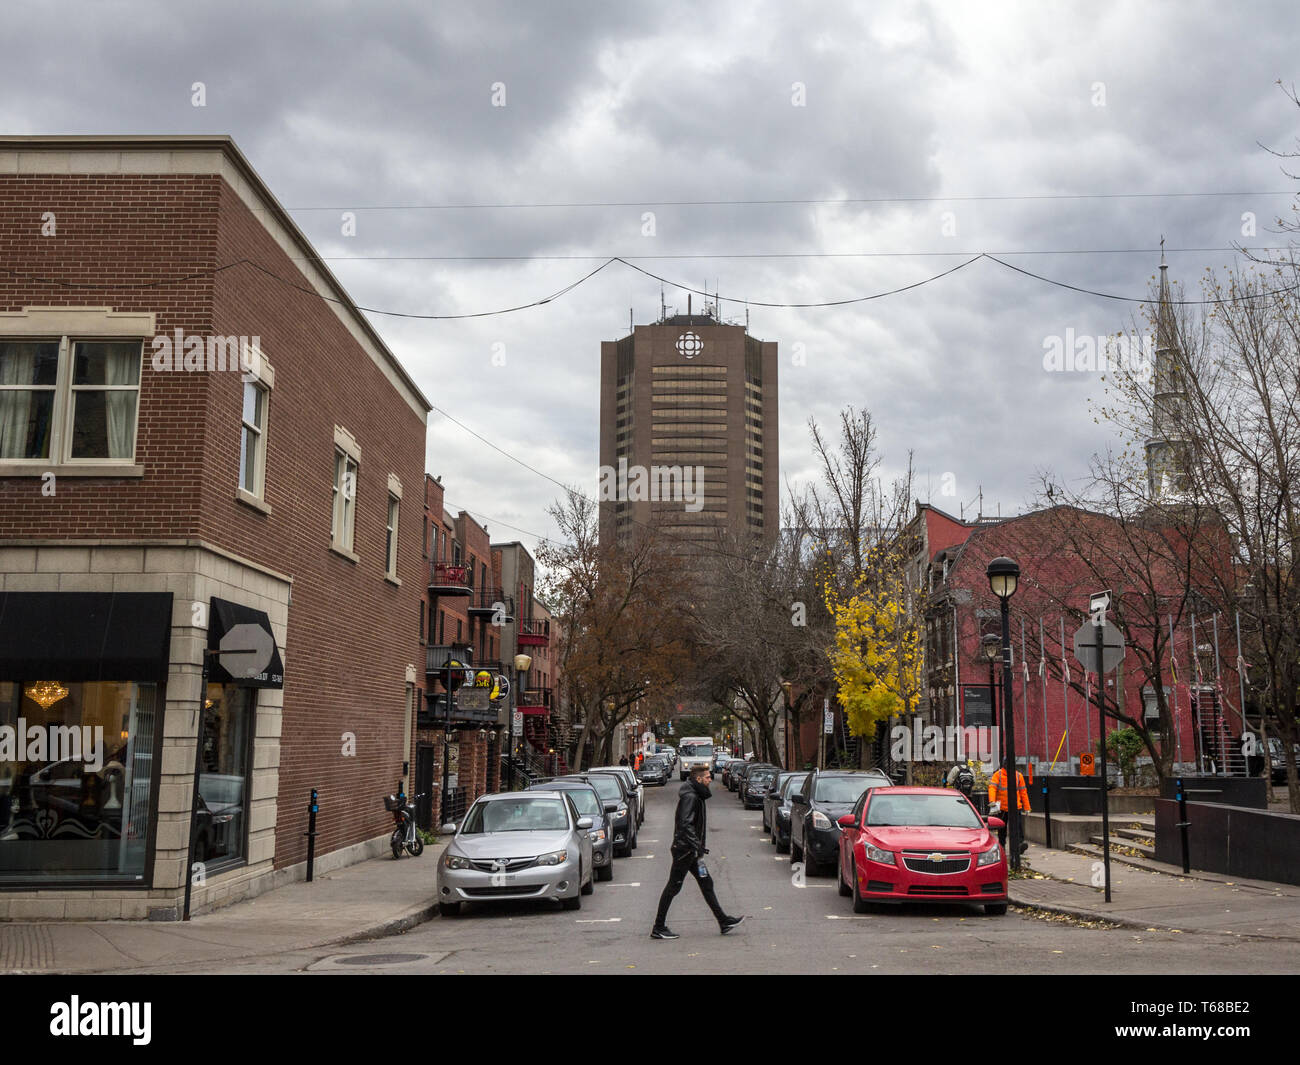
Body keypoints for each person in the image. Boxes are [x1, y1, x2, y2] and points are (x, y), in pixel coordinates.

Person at [651, 765, 745, 939]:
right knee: (673, 887)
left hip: (691, 851)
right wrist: (697, 846)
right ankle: (658, 927)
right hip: (684, 851)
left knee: (706, 883)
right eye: (708, 777)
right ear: (699, 779)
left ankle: (723, 921)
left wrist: (697, 848)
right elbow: (685, 823)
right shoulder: (690, 797)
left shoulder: (696, 796)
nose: (710, 780)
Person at [987, 760, 1030, 854]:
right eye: (1007, 764)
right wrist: (992, 801)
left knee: (1018, 827)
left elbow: (1023, 792)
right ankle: (1002, 845)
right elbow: (992, 788)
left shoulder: (1018, 776)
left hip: (1015, 807)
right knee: (1003, 828)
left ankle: (1019, 844)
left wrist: (1027, 807)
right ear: (1003, 765)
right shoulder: (998, 775)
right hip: (1003, 808)